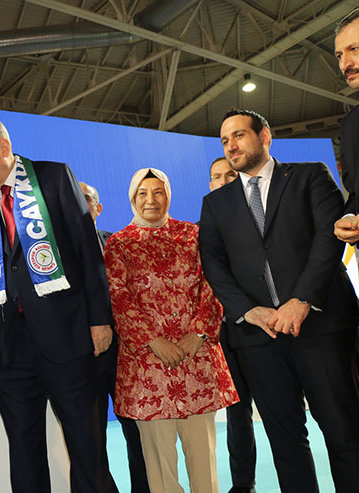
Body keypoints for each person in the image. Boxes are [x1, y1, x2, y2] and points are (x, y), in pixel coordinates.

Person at [199, 109, 359, 492]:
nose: (231, 146)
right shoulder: (215, 204)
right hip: (259, 338)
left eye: (239, 135)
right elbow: (214, 265)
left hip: (320, 326)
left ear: (265, 136)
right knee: (286, 443)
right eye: (225, 140)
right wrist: (248, 311)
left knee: (344, 433)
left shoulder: (310, 176)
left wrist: (302, 300)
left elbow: (328, 239)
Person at [0, 116, 115, 492]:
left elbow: (88, 251)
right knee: (23, 450)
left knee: (86, 446)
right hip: (9, 349)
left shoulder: (54, 177)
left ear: (4, 148)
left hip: (67, 338)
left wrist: (99, 320)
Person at [105, 168, 237, 493]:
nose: (151, 200)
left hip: (195, 359)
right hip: (147, 368)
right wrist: (153, 341)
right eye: (143, 193)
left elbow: (212, 284)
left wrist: (198, 333)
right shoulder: (119, 244)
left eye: (158, 192)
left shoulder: (193, 235)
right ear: (132, 199)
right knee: (160, 467)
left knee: (203, 459)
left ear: (168, 195)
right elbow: (118, 297)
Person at [79, 181, 150, 493]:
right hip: (84, 357)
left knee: (138, 433)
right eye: (72, 199)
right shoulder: (55, 254)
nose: (79, 205)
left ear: (98, 208)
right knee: (91, 439)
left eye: (85, 199)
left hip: (126, 355)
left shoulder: (117, 244)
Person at [207, 158, 256, 493]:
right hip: (224, 336)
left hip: (262, 330)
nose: (224, 181)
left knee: (282, 411)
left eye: (230, 175)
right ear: (210, 184)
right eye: (217, 177)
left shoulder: (261, 220)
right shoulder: (200, 229)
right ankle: (243, 485)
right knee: (237, 416)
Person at [333, 9, 359, 244]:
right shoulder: (350, 125)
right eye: (339, 55)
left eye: (355, 49)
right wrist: (348, 217)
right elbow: (355, 194)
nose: (345, 64)